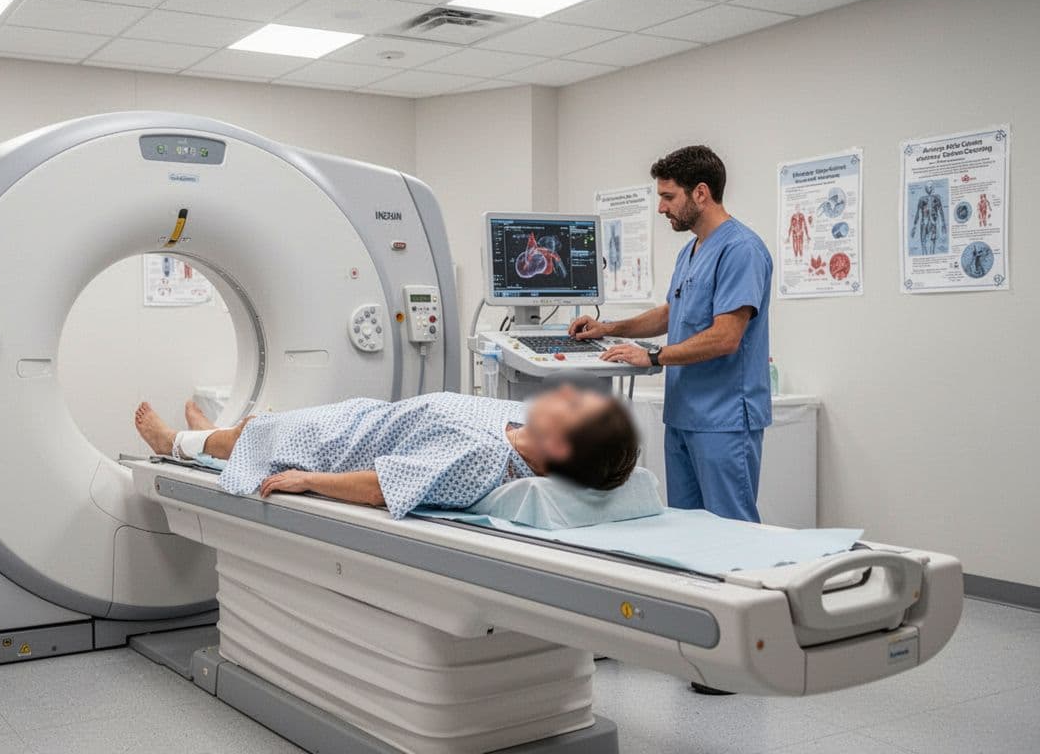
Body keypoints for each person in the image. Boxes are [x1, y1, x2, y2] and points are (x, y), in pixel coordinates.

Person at [571, 145, 771, 697]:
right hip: (686, 415)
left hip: (725, 416)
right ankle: (699, 648)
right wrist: (610, 329)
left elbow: (726, 336)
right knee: (689, 536)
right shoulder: (693, 251)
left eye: (668, 196)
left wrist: (654, 357)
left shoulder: (741, 249)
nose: (661, 208)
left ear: (700, 193)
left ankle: (737, 662)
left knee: (731, 537)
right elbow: (672, 312)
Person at [132, 387, 639, 519]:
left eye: (574, 407)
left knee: (261, 433)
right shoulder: (522, 420)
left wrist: (308, 481)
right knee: (259, 428)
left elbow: (382, 486)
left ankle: (175, 442)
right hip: (368, 417)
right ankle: (214, 436)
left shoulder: (481, 457)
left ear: (560, 445)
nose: (566, 395)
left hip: (343, 447)